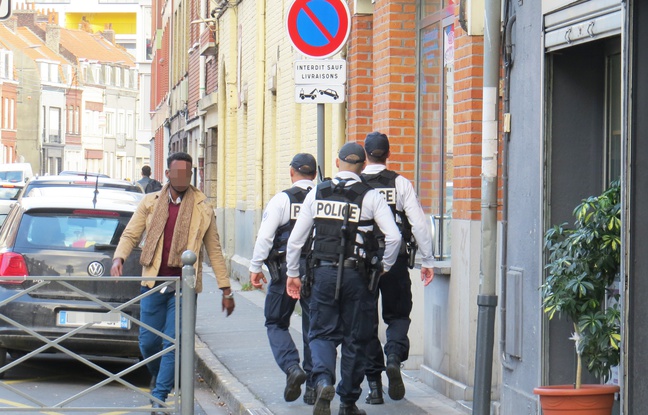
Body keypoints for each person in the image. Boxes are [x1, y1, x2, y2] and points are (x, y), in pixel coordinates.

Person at [110, 152, 235, 415]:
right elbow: (132, 233)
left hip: (184, 288)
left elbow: (213, 249)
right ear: (167, 174)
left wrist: (226, 288)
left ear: (191, 175)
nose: (181, 177)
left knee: (172, 343)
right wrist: (119, 257)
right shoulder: (150, 202)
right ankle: (161, 377)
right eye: (176, 172)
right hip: (153, 283)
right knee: (148, 343)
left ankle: (159, 396)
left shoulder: (202, 206)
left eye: (186, 173)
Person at [285, 142, 401, 415]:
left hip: (322, 273)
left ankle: (323, 380)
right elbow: (394, 237)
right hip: (358, 276)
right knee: (355, 339)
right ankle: (347, 402)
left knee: (321, 333)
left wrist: (293, 274)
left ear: (337, 163)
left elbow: (295, 241)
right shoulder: (370, 196)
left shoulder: (318, 192)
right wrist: (384, 266)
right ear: (362, 167)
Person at [361, 132, 434, 404]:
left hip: (363, 264)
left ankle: (374, 388)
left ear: (366, 154)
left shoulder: (357, 184)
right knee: (399, 315)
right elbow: (418, 224)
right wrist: (427, 260)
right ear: (388, 154)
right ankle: (393, 355)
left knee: (366, 324)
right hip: (396, 261)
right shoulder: (400, 183)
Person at [249, 153, 317, 405]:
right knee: (314, 328)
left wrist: (255, 267)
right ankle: (313, 387)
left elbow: (266, 237)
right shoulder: (322, 197)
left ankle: (291, 367)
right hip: (317, 272)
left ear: (292, 172)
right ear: (315, 174)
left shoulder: (282, 199)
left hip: (284, 273)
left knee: (276, 322)